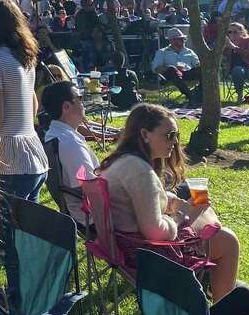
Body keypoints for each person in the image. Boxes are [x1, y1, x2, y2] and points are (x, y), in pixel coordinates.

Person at [97, 103, 240, 300]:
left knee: (203, 211)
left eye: (176, 136)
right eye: (169, 135)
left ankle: (212, 275)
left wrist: (166, 198)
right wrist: (178, 217)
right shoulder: (140, 171)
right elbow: (154, 231)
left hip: (125, 245)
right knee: (227, 240)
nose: (175, 142)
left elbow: (140, 198)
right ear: (145, 134)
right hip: (147, 255)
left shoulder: (122, 161)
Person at [0, 0, 47, 314]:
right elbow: (32, 107)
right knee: (25, 238)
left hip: (8, 160)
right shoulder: (22, 56)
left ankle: (22, 307)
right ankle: (32, 297)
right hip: (31, 153)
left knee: (11, 243)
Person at [39, 80, 98, 226]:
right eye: (80, 99)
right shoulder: (69, 142)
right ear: (66, 107)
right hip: (93, 217)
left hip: (80, 211)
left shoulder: (55, 135)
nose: (83, 103)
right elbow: (93, 188)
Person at [151, 28, 202, 100]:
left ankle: (200, 95)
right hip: (171, 76)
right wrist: (172, 68)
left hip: (187, 74)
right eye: (178, 39)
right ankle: (190, 96)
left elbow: (197, 64)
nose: (181, 41)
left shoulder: (189, 52)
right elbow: (155, 68)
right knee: (171, 69)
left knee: (202, 70)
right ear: (171, 41)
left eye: (182, 39)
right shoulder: (162, 52)